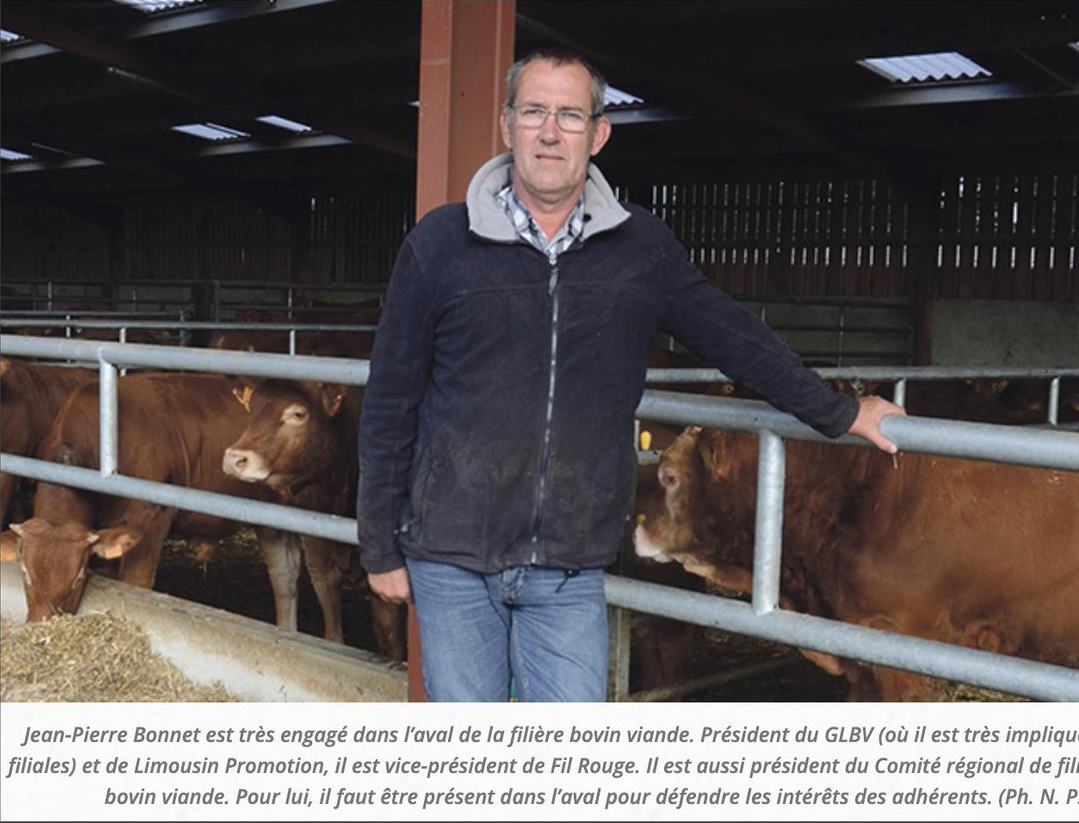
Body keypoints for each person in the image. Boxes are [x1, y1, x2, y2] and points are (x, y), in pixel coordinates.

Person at [357, 48, 905, 702]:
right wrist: (379, 546)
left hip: (568, 565)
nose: (550, 132)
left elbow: (731, 333)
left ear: (598, 133)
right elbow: (390, 398)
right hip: (450, 557)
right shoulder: (441, 244)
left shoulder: (640, 248)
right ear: (507, 125)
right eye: (533, 112)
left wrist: (840, 411)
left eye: (569, 115)